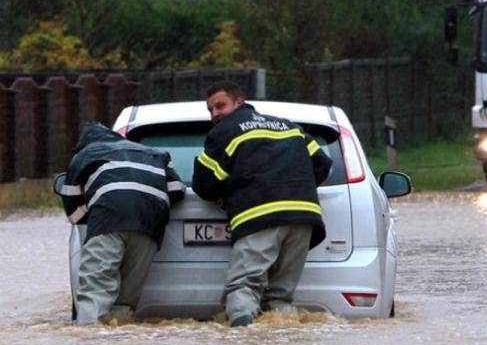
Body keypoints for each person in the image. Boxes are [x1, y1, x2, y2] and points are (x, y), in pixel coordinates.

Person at [192, 82, 332, 327]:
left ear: (239, 102)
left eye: (220, 105)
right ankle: (283, 337)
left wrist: (228, 193)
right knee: (281, 295)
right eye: (210, 109)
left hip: (259, 218)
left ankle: (242, 342)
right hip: (303, 218)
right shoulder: (289, 126)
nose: (215, 114)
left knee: (243, 286)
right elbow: (322, 164)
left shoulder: (226, 131)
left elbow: (204, 185)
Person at [61, 121, 186, 325]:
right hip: (149, 225)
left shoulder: (85, 155)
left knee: (95, 288)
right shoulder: (156, 154)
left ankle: (89, 342)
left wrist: (94, 216)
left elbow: (72, 208)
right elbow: (177, 190)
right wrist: (147, 206)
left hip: (108, 219)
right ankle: (122, 336)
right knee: (126, 298)